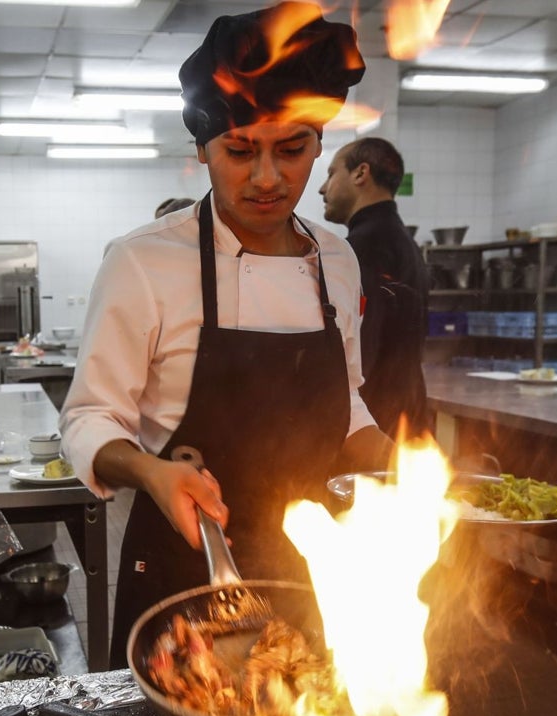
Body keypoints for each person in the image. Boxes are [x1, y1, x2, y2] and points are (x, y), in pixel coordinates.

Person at [61, 0, 394, 667]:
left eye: (293, 150)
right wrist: (149, 471)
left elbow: (347, 400)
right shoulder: (144, 260)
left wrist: (401, 467)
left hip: (312, 565)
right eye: (241, 152)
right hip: (184, 572)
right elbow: (88, 419)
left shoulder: (336, 258)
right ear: (202, 151)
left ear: (320, 143)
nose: (269, 179)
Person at [320, 138, 429, 438]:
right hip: (407, 416)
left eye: (331, 174)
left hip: (374, 427)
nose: (322, 188)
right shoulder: (404, 242)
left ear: (360, 174)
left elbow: (359, 351)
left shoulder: (362, 250)